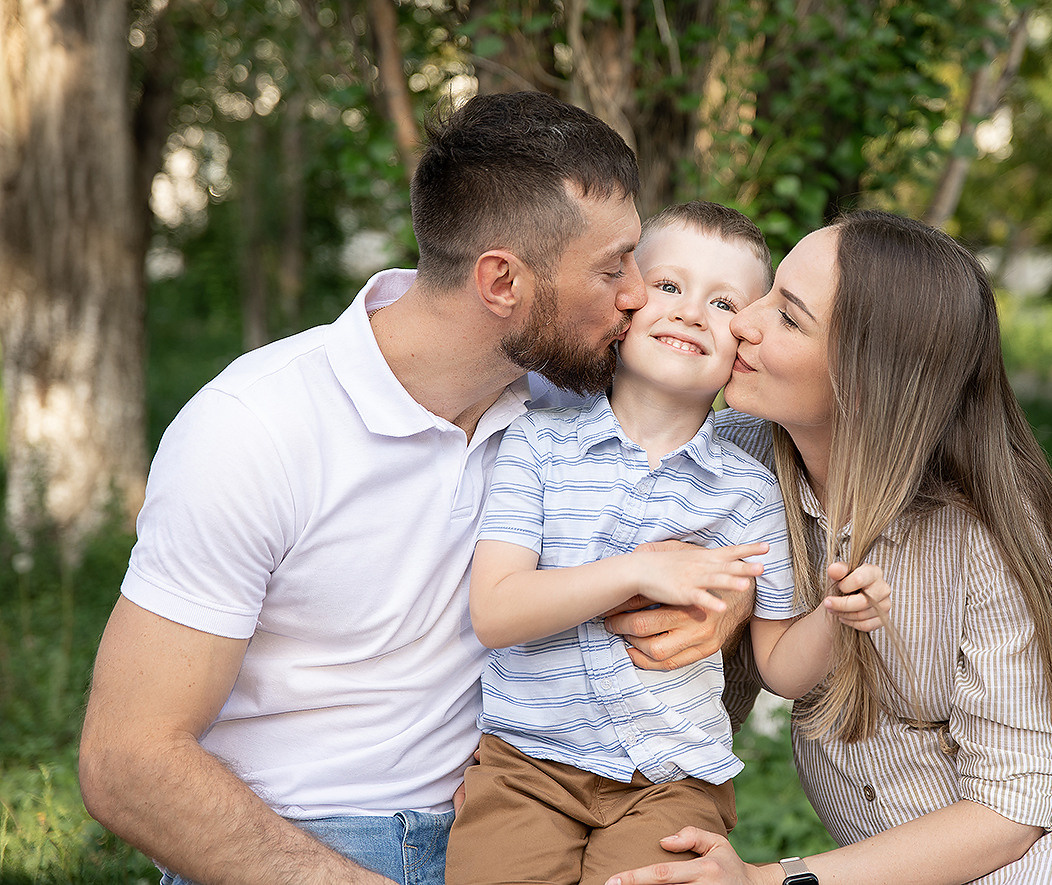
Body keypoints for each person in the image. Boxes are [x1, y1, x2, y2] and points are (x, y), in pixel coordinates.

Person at [76, 91, 750, 885]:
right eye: (612, 269)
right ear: (503, 281)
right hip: (293, 847)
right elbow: (128, 761)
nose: (638, 294)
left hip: (514, 817)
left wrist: (731, 596)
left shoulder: (569, 404)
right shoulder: (253, 427)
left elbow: (726, 464)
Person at [606, 210, 1052, 885]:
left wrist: (770, 879)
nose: (745, 320)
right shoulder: (729, 464)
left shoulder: (982, 534)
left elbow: (1009, 811)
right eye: (770, 292)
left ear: (864, 377)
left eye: (789, 317)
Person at [444, 202, 891, 885]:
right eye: (670, 286)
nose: (689, 312)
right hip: (526, 766)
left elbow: (780, 668)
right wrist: (639, 572)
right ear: (624, 309)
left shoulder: (749, 492)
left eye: (722, 302)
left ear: (744, 342)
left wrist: (835, 616)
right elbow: (497, 612)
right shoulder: (536, 443)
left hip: (672, 779)